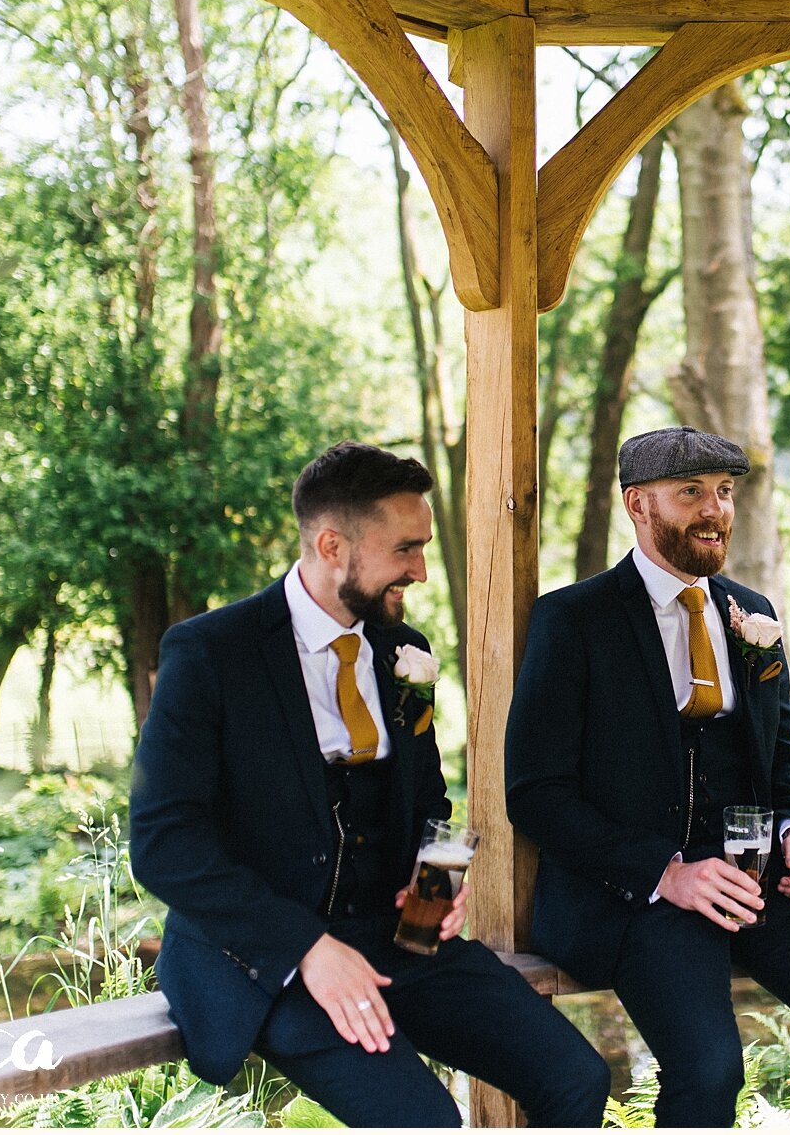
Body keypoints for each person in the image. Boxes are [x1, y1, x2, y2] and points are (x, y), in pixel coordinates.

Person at [130, 442, 610, 1127]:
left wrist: (435, 884)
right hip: (266, 962)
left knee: (575, 1076)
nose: (419, 569)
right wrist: (307, 948)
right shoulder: (211, 653)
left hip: (399, 941)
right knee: (428, 1123)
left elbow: (427, 802)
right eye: (405, 549)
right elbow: (161, 844)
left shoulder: (399, 649)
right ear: (332, 544)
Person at [506, 426, 790, 1127]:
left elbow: (788, 757)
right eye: (691, 491)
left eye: (725, 492)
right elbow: (534, 792)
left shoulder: (751, 614)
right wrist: (666, 871)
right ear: (639, 505)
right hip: (641, 894)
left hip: (760, 881)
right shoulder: (573, 619)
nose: (714, 509)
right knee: (709, 1069)